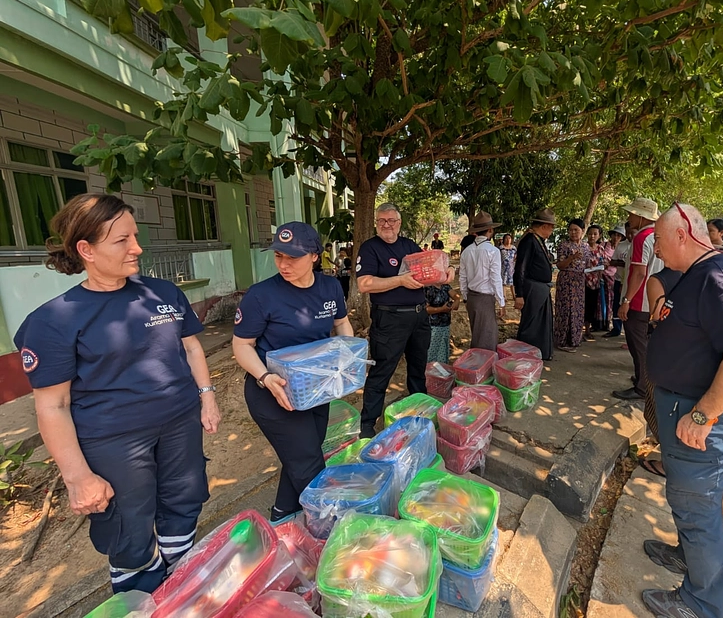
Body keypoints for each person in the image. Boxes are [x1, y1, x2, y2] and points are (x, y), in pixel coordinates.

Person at [13, 194, 220, 594]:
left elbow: (192, 346)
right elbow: (52, 405)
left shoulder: (162, 293)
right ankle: (141, 597)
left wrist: (207, 397)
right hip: (114, 441)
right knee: (129, 527)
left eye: (136, 236)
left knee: (184, 503)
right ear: (85, 250)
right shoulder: (54, 320)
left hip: (180, 425)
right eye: (122, 240)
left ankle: (183, 589)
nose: (137, 248)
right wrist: (77, 477)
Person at [641, 203, 723, 618]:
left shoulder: (722, 276)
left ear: (682, 234)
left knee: (698, 508)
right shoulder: (697, 275)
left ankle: (701, 602)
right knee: (688, 501)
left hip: (701, 418)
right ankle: (687, 556)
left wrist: (702, 415)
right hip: (686, 407)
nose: (655, 248)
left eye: (658, 239)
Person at [232, 222, 352, 522]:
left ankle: (282, 515)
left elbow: (341, 324)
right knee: (309, 464)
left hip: (316, 390)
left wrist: (348, 358)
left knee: (303, 454)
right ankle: (337, 528)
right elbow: (242, 345)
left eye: (292, 258)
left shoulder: (330, 287)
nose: (283, 264)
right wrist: (264, 377)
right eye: (278, 256)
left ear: (314, 256)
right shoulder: (261, 296)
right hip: (274, 393)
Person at [356, 203, 454, 436]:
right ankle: (368, 424)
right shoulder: (370, 248)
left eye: (391, 220)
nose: (386, 225)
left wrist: (446, 275)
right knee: (382, 371)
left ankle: (419, 411)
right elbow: (364, 284)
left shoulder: (408, 246)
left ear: (399, 223)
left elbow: (428, 275)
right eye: (382, 220)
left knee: (418, 368)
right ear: (376, 223)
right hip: (389, 318)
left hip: (419, 316)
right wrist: (399, 281)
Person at [637, 263, 684, 479]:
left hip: (665, 349)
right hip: (687, 354)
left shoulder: (658, 280)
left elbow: (657, 318)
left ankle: (669, 460)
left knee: (657, 402)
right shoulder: (699, 274)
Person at [615, 197, 664, 401]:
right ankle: (641, 378)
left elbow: (638, 273)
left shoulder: (642, 238)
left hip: (639, 299)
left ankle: (643, 386)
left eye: (632, 214)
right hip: (652, 298)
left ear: (641, 216)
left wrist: (626, 300)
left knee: (638, 344)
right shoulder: (657, 236)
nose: (629, 217)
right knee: (643, 343)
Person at [514, 208, 557, 361]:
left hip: (541, 288)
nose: (552, 231)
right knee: (531, 325)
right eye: (551, 227)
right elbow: (520, 269)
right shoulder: (529, 241)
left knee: (542, 324)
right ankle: (525, 356)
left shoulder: (540, 241)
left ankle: (539, 353)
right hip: (532, 287)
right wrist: (519, 294)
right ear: (544, 226)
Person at [460, 212, 506, 351]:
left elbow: (463, 277)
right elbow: (495, 278)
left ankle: (476, 365)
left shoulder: (467, 251)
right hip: (485, 298)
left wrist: (465, 297)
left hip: (472, 297)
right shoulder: (493, 251)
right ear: (490, 230)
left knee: (477, 334)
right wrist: (501, 301)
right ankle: (484, 368)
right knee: (487, 336)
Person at [554, 218, 591, 352]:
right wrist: (572, 258)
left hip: (579, 281)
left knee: (577, 310)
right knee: (565, 309)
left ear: (582, 231)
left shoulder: (586, 247)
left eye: (576, 230)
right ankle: (562, 340)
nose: (573, 233)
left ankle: (575, 339)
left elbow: (587, 264)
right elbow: (560, 265)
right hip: (566, 280)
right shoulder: (564, 245)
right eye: (570, 230)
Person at [425, 282, 460, 363]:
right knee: (432, 351)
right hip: (432, 326)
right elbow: (426, 309)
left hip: (445, 324)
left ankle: (441, 370)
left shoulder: (445, 286)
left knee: (443, 350)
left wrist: (456, 301)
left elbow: (455, 296)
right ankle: (430, 371)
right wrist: (441, 309)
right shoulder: (427, 288)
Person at [604, 224, 628, 337]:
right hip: (618, 278)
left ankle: (628, 330)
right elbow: (612, 262)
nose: (616, 237)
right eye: (615, 235)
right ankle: (616, 328)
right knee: (616, 304)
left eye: (620, 235)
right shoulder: (621, 246)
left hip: (630, 280)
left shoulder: (634, 245)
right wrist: (623, 264)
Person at [584, 225, 605, 340]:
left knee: (592, 306)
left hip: (595, 282)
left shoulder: (601, 249)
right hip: (583, 281)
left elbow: (603, 263)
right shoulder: (583, 247)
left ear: (599, 235)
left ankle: (588, 329)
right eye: (590, 233)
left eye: (595, 234)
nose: (592, 236)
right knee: (583, 305)